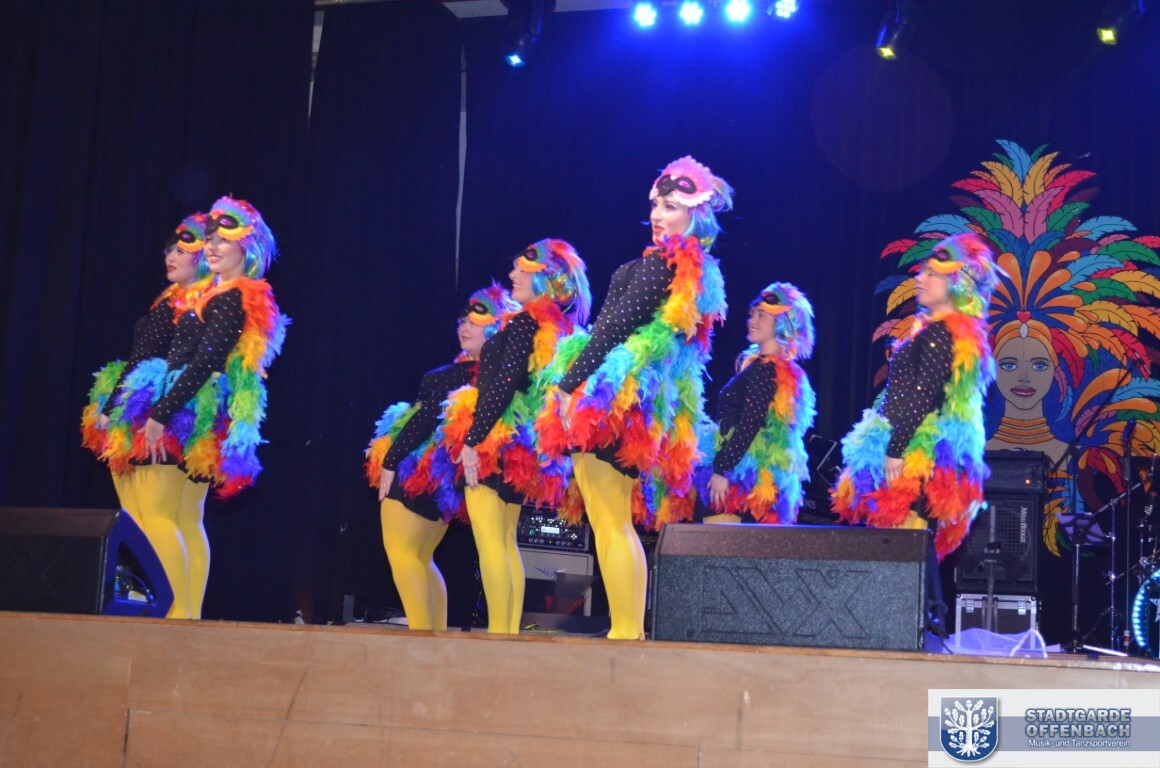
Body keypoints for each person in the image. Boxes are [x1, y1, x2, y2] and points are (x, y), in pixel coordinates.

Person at [538, 156, 730, 640]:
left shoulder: (660, 265)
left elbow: (611, 329)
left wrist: (568, 383)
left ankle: (626, 633)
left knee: (610, 521)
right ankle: (629, 630)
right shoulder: (688, 271)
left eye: (671, 207)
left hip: (611, 399)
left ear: (695, 215)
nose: (658, 215)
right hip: (633, 402)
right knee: (614, 520)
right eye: (656, 206)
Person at [102, 196, 288, 619]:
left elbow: (205, 362)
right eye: (211, 240)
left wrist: (160, 413)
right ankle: (185, 616)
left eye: (224, 240)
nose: (213, 247)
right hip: (194, 411)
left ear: (248, 247)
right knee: (185, 517)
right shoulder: (224, 295)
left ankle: (176, 616)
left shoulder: (231, 297)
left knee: (159, 515)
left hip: (183, 409)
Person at [435, 239, 590, 634]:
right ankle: (506, 635)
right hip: (518, 446)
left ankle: (498, 636)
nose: (511, 275)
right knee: (505, 542)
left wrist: (472, 440)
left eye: (521, 270)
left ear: (544, 279)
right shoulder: (545, 326)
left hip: (496, 441)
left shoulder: (523, 324)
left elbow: (502, 387)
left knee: (492, 543)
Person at [832, 232, 1000, 561]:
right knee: (899, 552)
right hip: (909, 446)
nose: (919, 280)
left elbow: (923, 395)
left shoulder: (940, 331)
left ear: (956, 283)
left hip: (913, 452)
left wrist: (895, 449)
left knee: (902, 553)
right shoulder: (938, 329)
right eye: (921, 272)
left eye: (931, 274)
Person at [364, 283, 517, 631]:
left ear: (496, 327)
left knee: (403, 553)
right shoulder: (498, 381)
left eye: (475, 321)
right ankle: (436, 638)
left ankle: (421, 638)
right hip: (447, 486)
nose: (464, 326)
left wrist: (390, 461)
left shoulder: (447, 378)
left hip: (418, 476)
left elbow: (422, 422)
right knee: (422, 556)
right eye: (463, 320)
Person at [81, 213, 211, 525]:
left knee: (148, 519)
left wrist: (110, 409)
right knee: (187, 520)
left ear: (204, 258)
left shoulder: (175, 306)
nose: (170, 257)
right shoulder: (210, 302)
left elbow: (141, 359)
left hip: (149, 412)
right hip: (194, 415)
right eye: (170, 250)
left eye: (181, 251)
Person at [694, 283, 816, 525]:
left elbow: (749, 425)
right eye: (753, 314)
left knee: (716, 546)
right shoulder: (766, 368)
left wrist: (722, 470)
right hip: (743, 472)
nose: (752, 320)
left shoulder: (765, 370)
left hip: (736, 477)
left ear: (781, 323)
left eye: (762, 315)